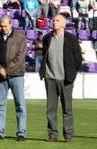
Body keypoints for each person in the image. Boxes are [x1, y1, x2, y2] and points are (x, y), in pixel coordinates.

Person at [40, 14, 83, 143]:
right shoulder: (47, 38)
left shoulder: (71, 39)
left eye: (57, 21)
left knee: (67, 109)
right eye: (54, 20)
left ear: (63, 24)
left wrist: (71, 74)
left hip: (66, 80)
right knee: (50, 109)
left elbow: (78, 58)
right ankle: (52, 134)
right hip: (50, 79)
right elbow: (45, 55)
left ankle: (68, 135)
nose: (54, 22)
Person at [0, 16, 27, 141]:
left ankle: (21, 132)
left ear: (11, 24)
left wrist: (6, 70)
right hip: (0, 76)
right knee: (0, 105)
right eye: (1, 26)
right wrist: (0, 69)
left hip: (16, 75)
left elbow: (20, 57)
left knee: (20, 104)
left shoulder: (20, 36)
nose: (3, 28)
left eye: (5, 26)